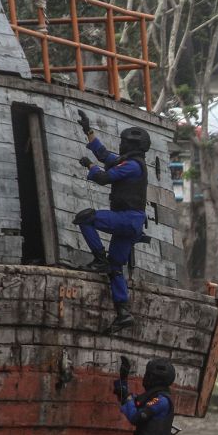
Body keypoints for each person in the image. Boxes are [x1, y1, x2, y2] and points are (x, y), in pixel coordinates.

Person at [73, 110, 151, 333]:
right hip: (131, 222)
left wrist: (89, 167)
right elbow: (105, 155)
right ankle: (123, 313)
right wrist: (88, 131)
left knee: (86, 217)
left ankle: (99, 258)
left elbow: (103, 177)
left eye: (124, 142)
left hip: (127, 219)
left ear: (132, 145)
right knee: (116, 267)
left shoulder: (132, 166)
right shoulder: (129, 162)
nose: (121, 146)